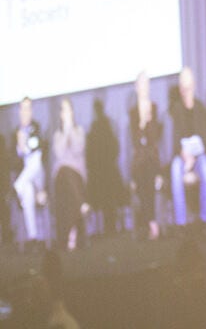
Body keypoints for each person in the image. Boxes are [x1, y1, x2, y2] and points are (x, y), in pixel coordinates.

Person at [169, 67, 206, 233]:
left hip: (198, 155)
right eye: (182, 87)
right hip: (182, 155)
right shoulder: (176, 109)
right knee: (175, 169)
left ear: (193, 86)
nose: (185, 91)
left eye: (188, 87)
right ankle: (181, 222)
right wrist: (184, 156)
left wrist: (193, 157)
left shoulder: (200, 108)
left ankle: (204, 219)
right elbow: (175, 140)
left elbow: (205, 137)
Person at [51, 98, 89, 251]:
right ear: (61, 114)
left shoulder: (79, 131)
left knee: (68, 175)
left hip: (77, 174)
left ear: (72, 112)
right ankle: (81, 204)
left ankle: (71, 235)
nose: (66, 113)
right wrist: (65, 131)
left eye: (68, 110)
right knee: (64, 174)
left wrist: (70, 130)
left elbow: (77, 149)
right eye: (63, 110)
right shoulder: (57, 135)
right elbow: (59, 154)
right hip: (61, 177)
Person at [129, 72, 163, 240]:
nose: (144, 88)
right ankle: (152, 222)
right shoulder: (133, 112)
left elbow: (154, 138)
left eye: (146, 84)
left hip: (153, 158)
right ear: (136, 87)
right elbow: (135, 141)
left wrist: (149, 122)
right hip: (139, 160)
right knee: (142, 174)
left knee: (149, 171)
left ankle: (151, 222)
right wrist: (142, 122)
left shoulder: (154, 108)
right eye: (141, 84)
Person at [86, 98, 126, 236]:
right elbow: (114, 146)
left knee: (106, 200)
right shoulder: (105, 124)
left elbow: (92, 150)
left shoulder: (97, 126)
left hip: (101, 170)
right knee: (109, 200)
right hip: (107, 169)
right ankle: (110, 227)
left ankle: (106, 227)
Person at [12, 97, 48, 252]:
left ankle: (17, 187)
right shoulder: (15, 133)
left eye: (28, 108)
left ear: (31, 111)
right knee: (27, 191)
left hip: (38, 176)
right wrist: (19, 148)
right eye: (23, 108)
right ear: (19, 111)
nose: (25, 112)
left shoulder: (36, 128)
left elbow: (39, 152)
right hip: (26, 178)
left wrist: (25, 146)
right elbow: (14, 163)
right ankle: (34, 237)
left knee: (36, 161)